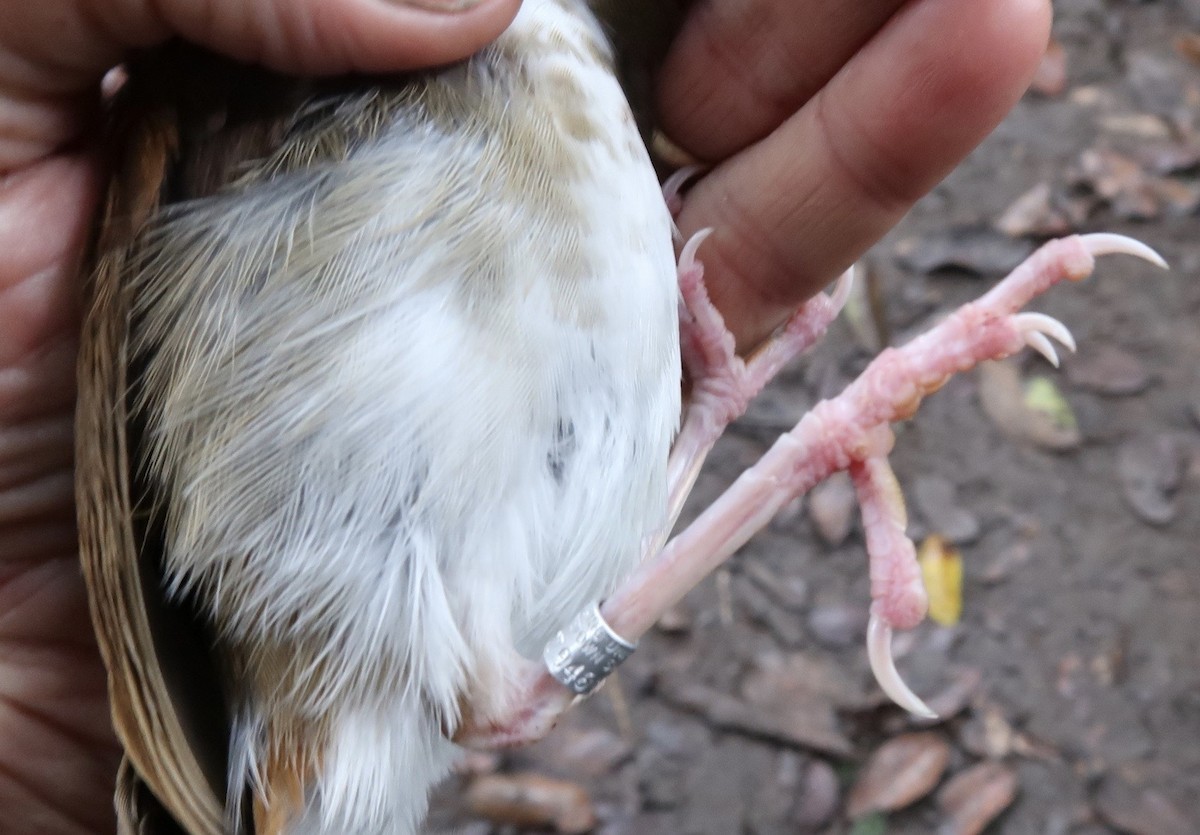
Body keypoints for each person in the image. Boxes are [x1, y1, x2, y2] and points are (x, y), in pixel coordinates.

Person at [0, 0, 1051, 830]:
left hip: (318, 595)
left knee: (504, 680)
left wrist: (722, 417)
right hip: (302, 642)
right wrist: (809, 439)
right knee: (502, 683)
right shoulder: (241, 63)